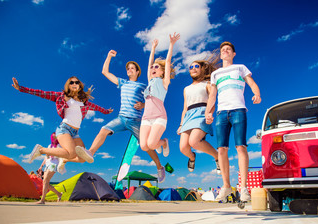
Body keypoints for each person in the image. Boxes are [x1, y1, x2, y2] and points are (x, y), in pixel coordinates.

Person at [75, 49, 166, 182]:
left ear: (137, 72)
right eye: (128, 68)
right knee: (104, 130)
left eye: (132, 68)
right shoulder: (123, 83)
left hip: (135, 120)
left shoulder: (143, 85)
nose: (129, 70)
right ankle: (91, 152)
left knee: (146, 145)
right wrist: (108, 57)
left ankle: (159, 167)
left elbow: (153, 100)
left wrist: (143, 105)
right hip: (121, 118)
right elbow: (105, 72)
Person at [11, 76, 113, 168]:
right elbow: (41, 93)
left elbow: (97, 108)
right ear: (68, 86)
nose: (74, 84)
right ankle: (41, 150)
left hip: (75, 133)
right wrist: (21, 88)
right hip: (64, 129)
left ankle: (65, 159)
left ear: (80, 86)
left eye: (76, 82)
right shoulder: (62, 97)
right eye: (71, 82)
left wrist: (106, 111)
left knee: (83, 158)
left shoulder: (84, 102)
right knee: (72, 152)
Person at [205, 41, 261, 202]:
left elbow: (251, 83)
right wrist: (208, 112)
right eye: (223, 50)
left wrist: (257, 93)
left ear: (233, 54)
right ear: (221, 54)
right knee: (221, 149)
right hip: (221, 113)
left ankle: (243, 188)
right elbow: (212, 95)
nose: (225, 51)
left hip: (238, 110)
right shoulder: (216, 74)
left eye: (228, 49)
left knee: (241, 147)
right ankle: (226, 186)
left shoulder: (240, 68)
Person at [139, 32, 180, 163]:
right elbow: (149, 64)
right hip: (146, 118)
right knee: (144, 146)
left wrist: (171, 44)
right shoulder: (150, 81)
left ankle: (163, 142)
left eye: (157, 67)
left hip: (159, 117)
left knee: (151, 144)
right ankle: (158, 143)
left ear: (162, 72)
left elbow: (167, 62)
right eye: (152, 68)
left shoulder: (164, 82)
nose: (153, 68)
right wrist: (153, 49)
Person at [177, 52, 221, 173]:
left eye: (196, 66)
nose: (193, 69)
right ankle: (192, 157)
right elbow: (185, 108)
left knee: (194, 141)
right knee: (183, 148)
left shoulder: (207, 84)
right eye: (191, 67)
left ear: (202, 69)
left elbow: (212, 100)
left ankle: (217, 157)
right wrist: (181, 124)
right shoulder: (186, 89)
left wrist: (209, 113)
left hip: (202, 113)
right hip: (188, 116)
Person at [36, 132, 63, 204]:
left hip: (54, 164)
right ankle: (59, 194)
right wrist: (41, 166)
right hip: (48, 164)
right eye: (52, 137)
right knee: (45, 182)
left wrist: (52, 153)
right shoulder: (49, 146)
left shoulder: (59, 146)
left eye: (55, 137)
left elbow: (60, 155)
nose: (53, 138)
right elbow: (46, 157)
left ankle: (42, 200)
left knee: (45, 181)